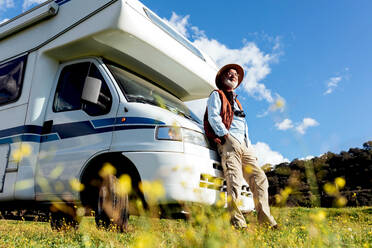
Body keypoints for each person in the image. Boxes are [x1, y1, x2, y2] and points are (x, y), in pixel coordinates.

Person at [203, 64, 278, 229]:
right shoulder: (217, 95)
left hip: (244, 145)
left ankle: (266, 222)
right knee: (234, 181)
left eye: (235, 74)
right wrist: (226, 137)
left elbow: (243, 126)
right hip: (230, 142)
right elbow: (213, 117)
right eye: (229, 74)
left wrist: (248, 146)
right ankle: (238, 224)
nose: (233, 76)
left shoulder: (237, 102)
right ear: (222, 78)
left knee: (260, 179)